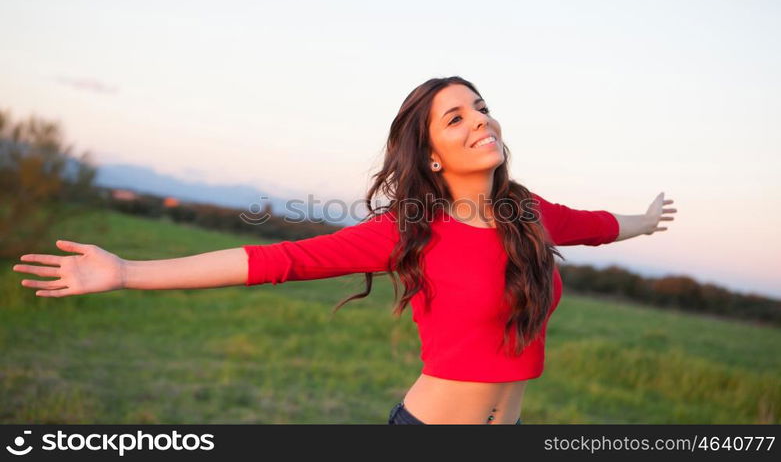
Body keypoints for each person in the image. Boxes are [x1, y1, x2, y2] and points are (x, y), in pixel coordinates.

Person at [12, 76, 676, 425]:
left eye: (480, 107)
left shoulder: (526, 215)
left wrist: (644, 221)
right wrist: (126, 271)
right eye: (456, 117)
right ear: (434, 157)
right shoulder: (408, 229)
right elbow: (276, 261)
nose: (480, 120)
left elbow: (596, 224)